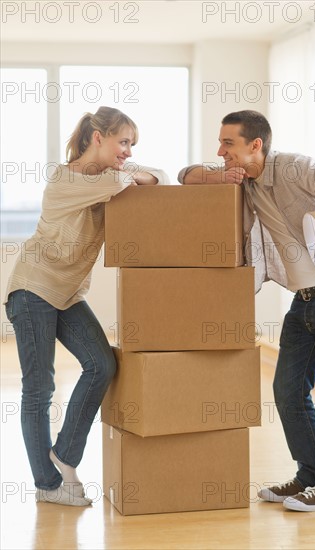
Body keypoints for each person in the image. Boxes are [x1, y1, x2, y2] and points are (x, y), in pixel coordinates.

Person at [178, 110, 315, 512]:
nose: (220, 151)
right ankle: (310, 475)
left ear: (255, 145)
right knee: (286, 390)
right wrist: (218, 176)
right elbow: (185, 174)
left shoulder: (294, 167)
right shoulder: (243, 180)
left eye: (228, 144)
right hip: (302, 302)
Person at [4, 106, 170, 506]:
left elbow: (161, 178)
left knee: (103, 363)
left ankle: (64, 456)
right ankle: (47, 485)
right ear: (98, 138)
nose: (128, 152)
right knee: (39, 387)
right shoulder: (64, 181)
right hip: (33, 289)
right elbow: (131, 180)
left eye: (133, 145)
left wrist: (133, 173)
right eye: (123, 142)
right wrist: (132, 176)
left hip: (69, 293)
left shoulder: (108, 180)